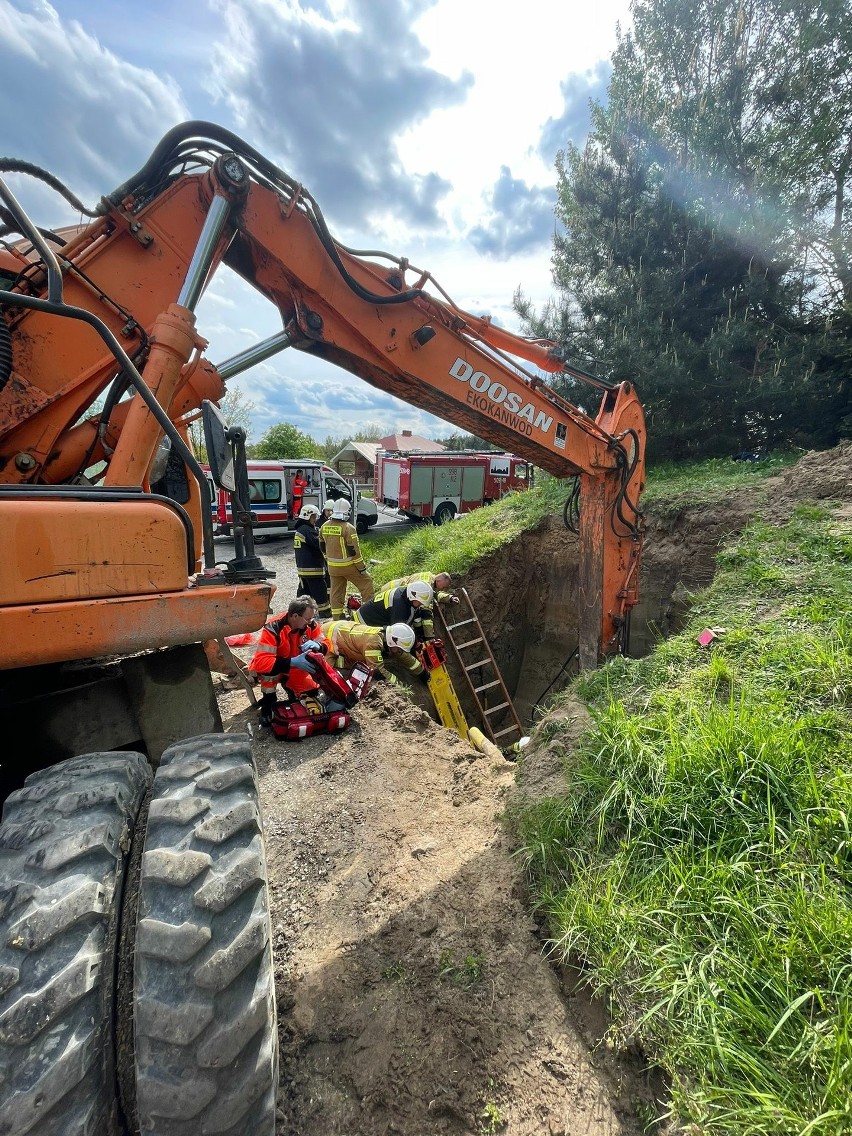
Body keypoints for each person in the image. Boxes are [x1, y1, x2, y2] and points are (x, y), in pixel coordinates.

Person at [249, 596, 329, 726]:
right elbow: (262, 662)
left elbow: (325, 642)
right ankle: (268, 703)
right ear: (295, 616)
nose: (310, 622)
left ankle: (291, 690)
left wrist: (319, 646)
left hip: (296, 667)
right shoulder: (273, 627)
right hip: (278, 667)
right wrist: (291, 662)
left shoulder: (311, 625)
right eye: (307, 619)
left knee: (311, 692)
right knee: (268, 674)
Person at [321, 619, 428, 686]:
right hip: (327, 638)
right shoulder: (373, 644)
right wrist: (400, 686)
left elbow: (402, 655)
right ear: (393, 641)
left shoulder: (386, 637)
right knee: (325, 678)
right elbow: (378, 671)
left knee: (356, 663)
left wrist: (422, 672)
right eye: (400, 648)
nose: (400, 652)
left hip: (342, 636)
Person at [318, 497, 375, 619]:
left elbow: (322, 546)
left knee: (336, 592)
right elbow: (354, 551)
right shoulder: (349, 528)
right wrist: (361, 568)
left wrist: (328, 560)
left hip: (332, 567)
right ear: (347, 511)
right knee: (366, 583)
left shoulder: (324, 526)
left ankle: (337, 618)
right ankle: (368, 614)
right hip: (348, 566)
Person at [293, 504, 331, 618]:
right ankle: (325, 612)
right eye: (313, 517)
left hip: (303, 569)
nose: (315, 520)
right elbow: (318, 545)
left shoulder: (301, 529)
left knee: (304, 593)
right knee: (320, 591)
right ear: (307, 516)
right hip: (313, 569)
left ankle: (298, 611)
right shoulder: (307, 530)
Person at [377, 572, 459, 606]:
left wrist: (450, 598)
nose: (443, 589)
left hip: (390, 590)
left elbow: (434, 594)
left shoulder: (430, 577)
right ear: (439, 581)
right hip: (390, 593)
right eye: (444, 587)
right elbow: (427, 604)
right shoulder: (427, 585)